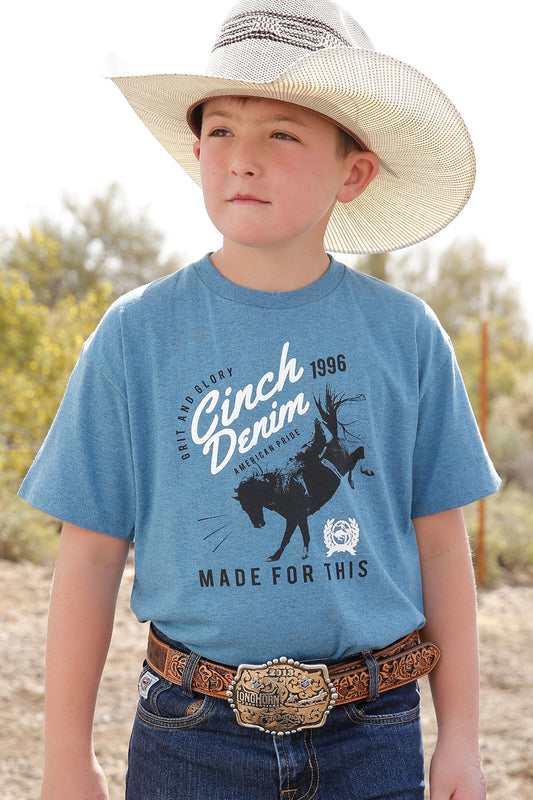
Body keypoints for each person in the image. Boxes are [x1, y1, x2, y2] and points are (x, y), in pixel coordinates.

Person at [20, 2, 501, 798]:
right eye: (218, 132)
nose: (242, 159)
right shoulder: (136, 335)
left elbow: (442, 546)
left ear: (353, 171)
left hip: (372, 732)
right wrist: (66, 758)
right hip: (189, 735)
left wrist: (461, 740)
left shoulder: (404, 334)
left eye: (281, 133)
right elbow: (91, 554)